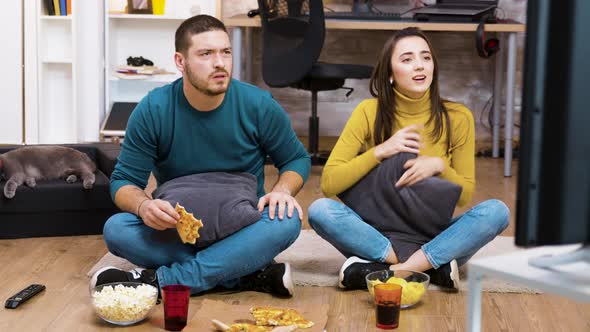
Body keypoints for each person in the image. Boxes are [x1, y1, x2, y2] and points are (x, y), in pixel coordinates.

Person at [90, 15, 311, 297]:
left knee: (287, 220)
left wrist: (282, 190)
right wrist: (144, 207)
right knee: (117, 228)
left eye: (225, 52)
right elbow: (123, 182)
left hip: (243, 226)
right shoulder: (153, 109)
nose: (220, 63)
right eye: (206, 54)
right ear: (180, 62)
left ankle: (163, 281)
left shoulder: (258, 105)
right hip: (176, 234)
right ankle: (242, 272)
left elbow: (296, 159)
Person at [308, 27, 509, 291]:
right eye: (407, 59)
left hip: (433, 234)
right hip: (377, 236)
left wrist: (440, 167)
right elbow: (330, 183)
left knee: (496, 211)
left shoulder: (458, 117)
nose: (419, 66)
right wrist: (381, 151)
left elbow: (464, 195)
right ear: (390, 74)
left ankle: (391, 270)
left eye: (425, 57)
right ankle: (429, 268)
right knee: (320, 211)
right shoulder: (368, 112)